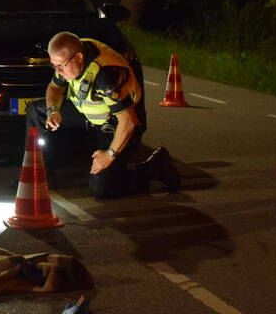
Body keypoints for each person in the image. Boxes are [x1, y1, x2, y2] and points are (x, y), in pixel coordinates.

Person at [26, 31, 180, 199]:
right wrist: (53, 110)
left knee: (102, 188)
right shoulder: (68, 57)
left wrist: (109, 155)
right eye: (54, 66)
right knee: (36, 110)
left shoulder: (105, 75)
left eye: (61, 66)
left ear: (78, 57)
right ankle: (38, 171)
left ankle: (155, 167)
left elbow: (129, 121)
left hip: (116, 123)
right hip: (90, 113)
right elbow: (54, 88)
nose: (58, 71)